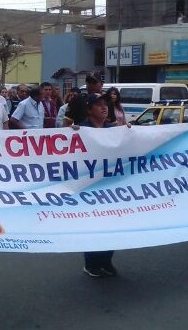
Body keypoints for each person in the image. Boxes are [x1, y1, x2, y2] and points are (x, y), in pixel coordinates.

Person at [77, 93, 118, 278]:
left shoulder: (112, 129)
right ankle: (91, 263)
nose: (104, 107)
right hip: (90, 186)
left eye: (106, 105)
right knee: (93, 225)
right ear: (89, 110)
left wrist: (131, 133)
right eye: (99, 105)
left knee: (112, 225)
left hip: (110, 186)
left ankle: (106, 261)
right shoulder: (81, 130)